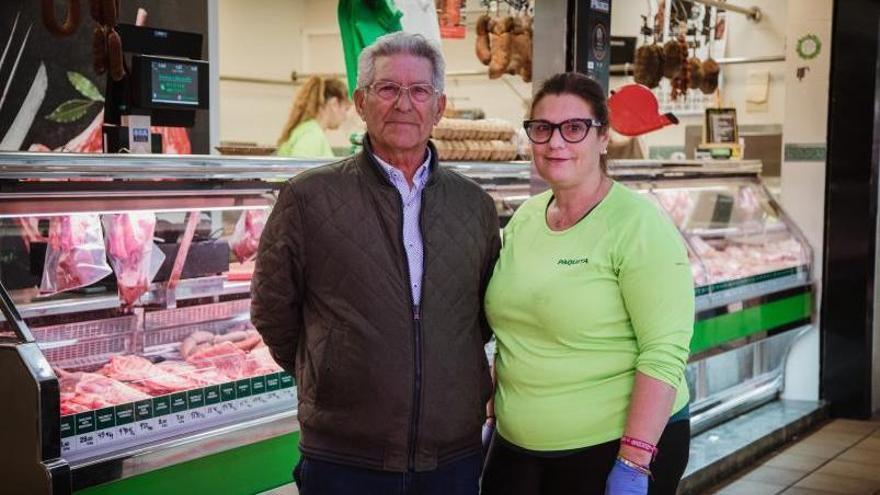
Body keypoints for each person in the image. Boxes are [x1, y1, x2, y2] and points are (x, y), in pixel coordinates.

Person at [251, 31, 500, 495]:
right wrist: (330, 369)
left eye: (419, 90)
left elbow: (481, 318)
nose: (403, 103)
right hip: (345, 460)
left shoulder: (475, 206)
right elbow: (272, 310)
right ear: (362, 102)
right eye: (388, 89)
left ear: (439, 107)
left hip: (451, 458)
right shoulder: (308, 198)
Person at [481, 72, 694, 495]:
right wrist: (491, 413)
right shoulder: (525, 217)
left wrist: (634, 460)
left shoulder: (638, 224)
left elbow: (664, 351)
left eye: (574, 128)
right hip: (516, 445)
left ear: (603, 138)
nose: (556, 142)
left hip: (610, 447)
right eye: (542, 129)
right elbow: (514, 328)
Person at [275, 76, 351, 158]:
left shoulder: (307, 129)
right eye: (346, 109)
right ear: (334, 104)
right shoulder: (312, 135)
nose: (345, 117)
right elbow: (299, 167)